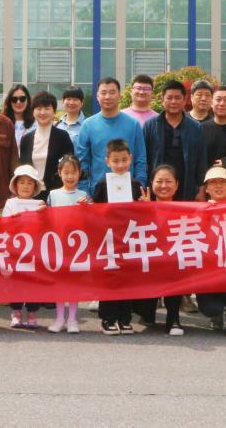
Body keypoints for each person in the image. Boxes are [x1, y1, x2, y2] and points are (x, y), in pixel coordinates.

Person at [91, 139, 146, 335]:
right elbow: (94, 209)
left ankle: (124, 318)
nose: (120, 164)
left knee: (127, 278)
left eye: (124, 160)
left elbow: (142, 212)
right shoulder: (102, 184)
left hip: (129, 237)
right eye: (115, 161)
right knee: (110, 278)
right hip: (109, 238)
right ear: (107, 161)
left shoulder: (135, 184)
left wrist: (145, 204)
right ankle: (107, 318)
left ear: (130, 159)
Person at [75, 77, 147, 196]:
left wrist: (140, 188)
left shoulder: (133, 124)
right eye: (103, 93)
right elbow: (83, 162)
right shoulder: (88, 125)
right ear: (97, 96)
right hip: (98, 193)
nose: (107, 97)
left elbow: (140, 160)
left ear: (119, 96)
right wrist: (84, 192)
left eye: (112, 92)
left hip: (129, 192)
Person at [195, 166, 226, 337]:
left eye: (223, 182)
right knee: (211, 308)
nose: (218, 186)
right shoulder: (197, 211)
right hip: (208, 277)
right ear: (206, 188)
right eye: (213, 182)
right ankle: (217, 315)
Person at [142, 80, 207, 201]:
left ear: (184, 100)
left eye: (177, 98)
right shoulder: (150, 126)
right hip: (159, 187)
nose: (173, 102)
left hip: (187, 186)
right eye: (169, 98)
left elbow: (201, 161)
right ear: (162, 100)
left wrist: (201, 189)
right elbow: (143, 159)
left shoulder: (196, 127)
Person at [46, 154, 89, 334]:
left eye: (73, 172)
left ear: (79, 173)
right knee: (59, 283)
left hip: (76, 247)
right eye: (66, 172)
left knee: (74, 283)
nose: (70, 176)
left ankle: (72, 318)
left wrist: (87, 208)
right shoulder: (53, 195)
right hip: (58, 244)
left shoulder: (84, 196)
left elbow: (91, 220)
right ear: (59, 173)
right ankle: (59, 318)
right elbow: (46, 218)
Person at [145, 164, 188, 336]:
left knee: (174, 270)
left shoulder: (186, 210)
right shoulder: (141, 207)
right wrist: (145, 210)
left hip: (173, 266)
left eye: (168, 181)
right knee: (145, 313)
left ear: (177, 185)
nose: (163, 186)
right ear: (152, 184)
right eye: (159, 181)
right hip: (148, 267)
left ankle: (173, 318)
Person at [3, 165, 46, 328]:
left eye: (30, 182)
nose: (26, 186)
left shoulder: (39, 204)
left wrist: (45, 213)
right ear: (15, 185)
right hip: (15, 250)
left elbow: (46, 226)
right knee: (16, 282)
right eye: (22, 182)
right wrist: (12, 220)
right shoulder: (10, 203)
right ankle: (16, 312)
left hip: (34, 251)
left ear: (35, 186)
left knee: (34, 282)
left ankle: (32, 313)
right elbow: (3, 224)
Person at [19, 90, 75, 201]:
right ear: (33, 112)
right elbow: (23, 168)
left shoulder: (62, 137)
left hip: (56, 194)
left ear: (54, 111)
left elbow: (69, 166)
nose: (43, 112)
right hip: (30, 195)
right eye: (39, 108)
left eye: (47, 108)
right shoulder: (26, 139)